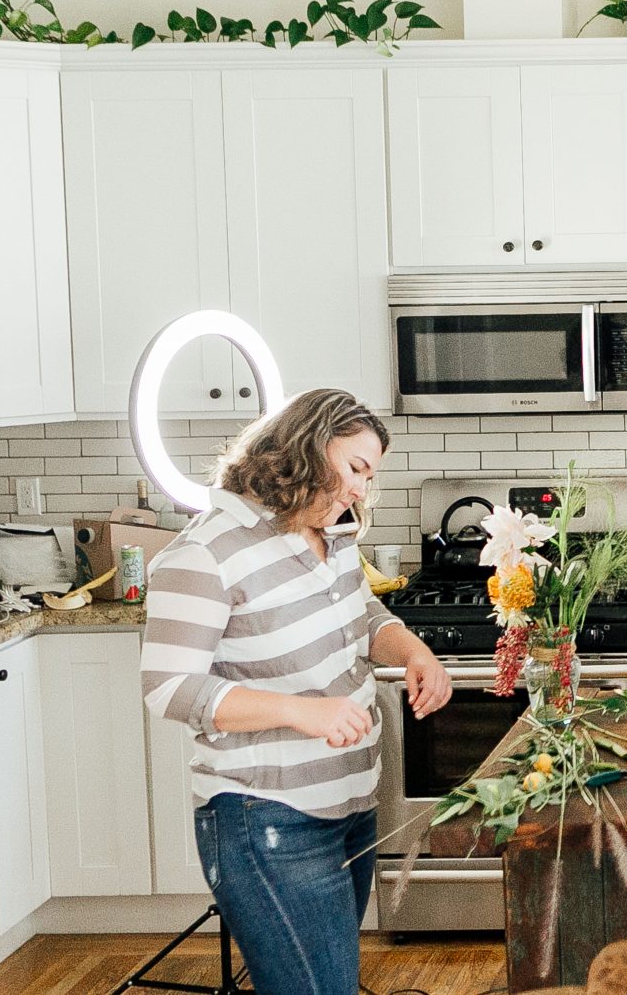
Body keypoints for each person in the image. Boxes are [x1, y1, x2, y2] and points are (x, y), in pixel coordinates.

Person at [140, 389, 454, 995]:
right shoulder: (205, 555)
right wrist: (301, 713)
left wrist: (414, 651)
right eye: (356, 468)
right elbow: (168, 688)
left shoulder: (330, 530)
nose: (362, 489)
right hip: (268, 819)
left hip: (350, 804)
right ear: (310, 445)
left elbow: (361, 614)